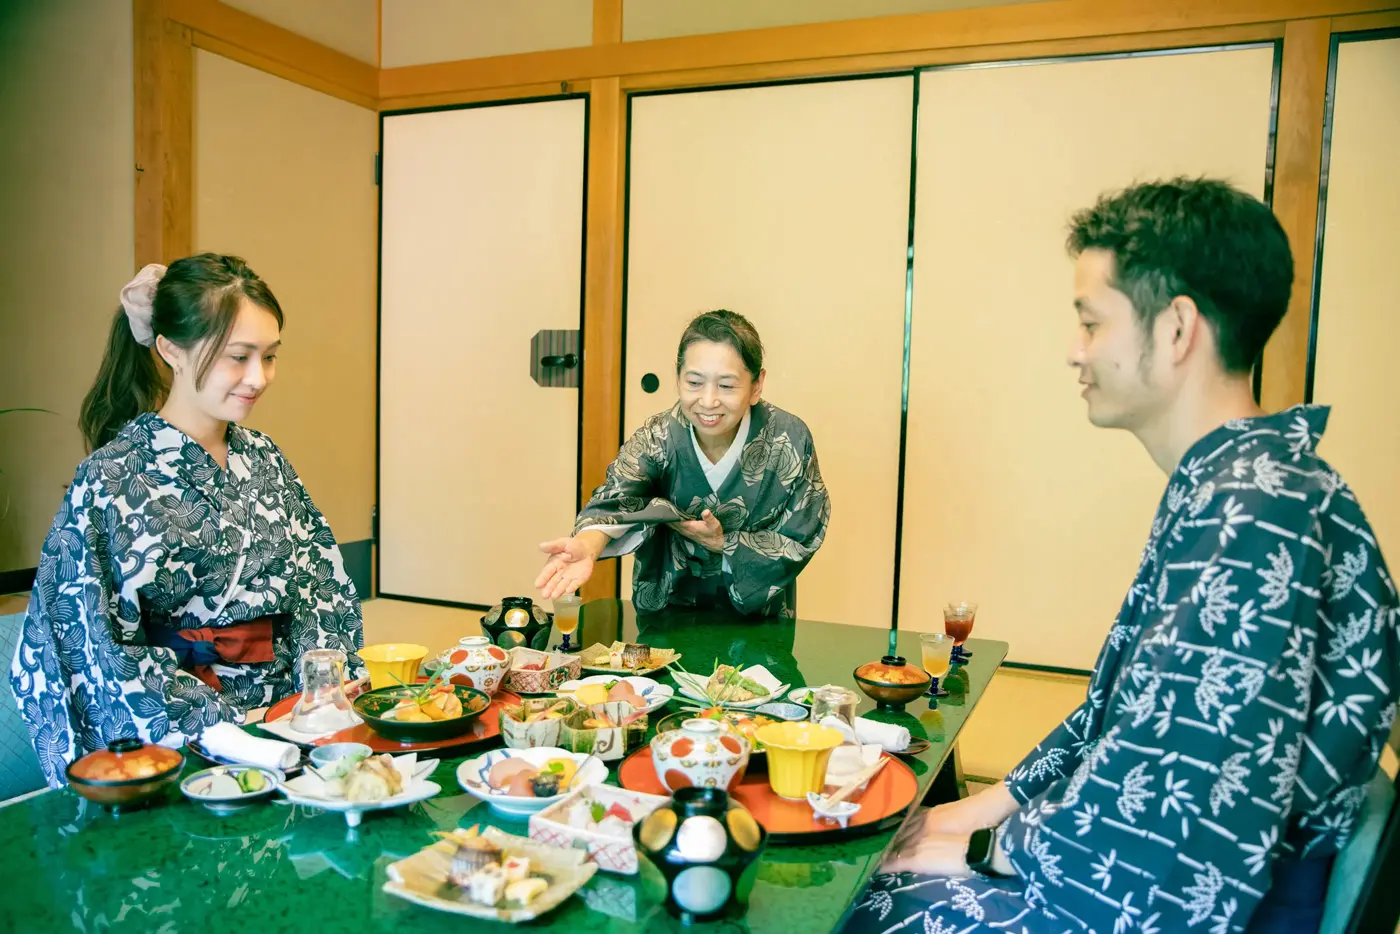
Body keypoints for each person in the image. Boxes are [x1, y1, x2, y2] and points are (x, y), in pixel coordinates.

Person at [843, 179, 1398, 933]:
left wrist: (976, 847)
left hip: (1177, 900)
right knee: (883, 852)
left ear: (1176, 330)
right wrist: (961, 814)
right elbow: (1115, 724)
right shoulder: (1242, 480)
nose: (1075, 350)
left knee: (847, 907)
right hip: (1134, 861)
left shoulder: (1255, 512)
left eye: (1092, 322)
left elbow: (1168, 822)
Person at [10, 255, 365, 787]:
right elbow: (90, 641)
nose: (258, 377)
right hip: (177, 735)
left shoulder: (264, 457)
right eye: (238, 357)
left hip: (287, 723)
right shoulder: (113, 475)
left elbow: (319, 591)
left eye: (269, 357)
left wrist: (321, 696)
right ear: (171, 350)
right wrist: (216, 729)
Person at [535, 310, 830, 618]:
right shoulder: (658, 437)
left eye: (726, 386)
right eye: (694, 382)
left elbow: (803, 532)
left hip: (761, 618)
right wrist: (587, 546)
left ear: (757, 386)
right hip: (670, 607)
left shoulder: (788, 438)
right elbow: (616, 499)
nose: (708, 401)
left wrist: (725, 542)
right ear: (678, 379)